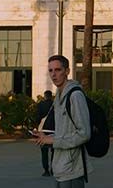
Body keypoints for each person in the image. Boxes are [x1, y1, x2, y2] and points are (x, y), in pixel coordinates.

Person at [34, 55, 90, 188]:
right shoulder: (59, 96)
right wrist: (47, 137)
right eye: (51, 71)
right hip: (60, 168)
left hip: (72, 169)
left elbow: (84, 134)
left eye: (58, 70)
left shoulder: (75, 96)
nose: (54, 75)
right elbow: (64, 131)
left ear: (67, 71)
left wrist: (53, 140)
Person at [36, 90, 54, 177]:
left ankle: (46, 170)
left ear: (45, 96)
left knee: (44, 152)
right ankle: (53, 169)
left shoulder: (40, 105)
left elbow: (38, 118)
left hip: (43, 131)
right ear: (51, 96)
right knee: (54, 152)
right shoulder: (55, 104)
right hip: (54, 131)